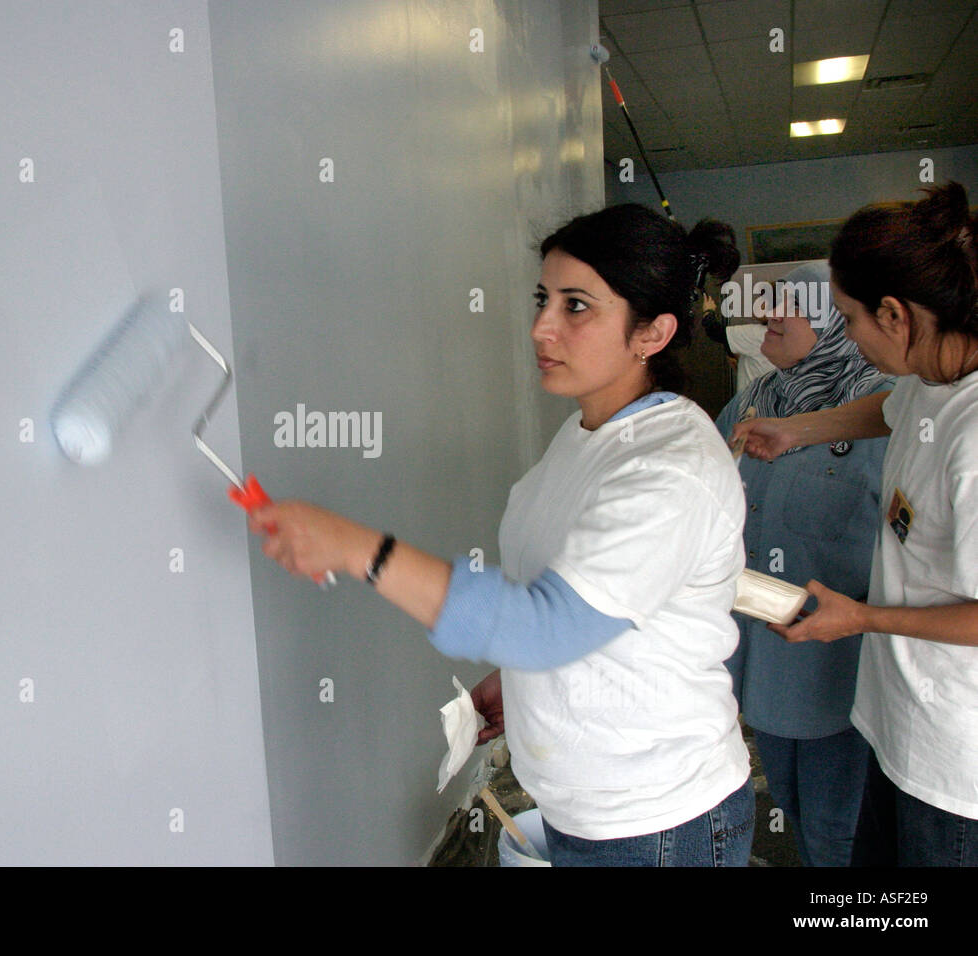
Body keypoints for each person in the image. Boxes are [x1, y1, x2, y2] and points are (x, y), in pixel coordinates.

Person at [247, 203, 755, 866]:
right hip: (591, 809)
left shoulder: (669, 470)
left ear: (652, 333)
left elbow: (548, 625)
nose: (542, 326)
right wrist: (521, 680)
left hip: (661, 822)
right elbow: (577, 604)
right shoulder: (586, 435)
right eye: (544, 299)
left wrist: (357, 548)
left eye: (577, 306)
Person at [731, 182, 978, 866]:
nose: (848, 333)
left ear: (894, 315)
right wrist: (794, 431)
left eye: (848, 316)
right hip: (897, 722)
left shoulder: (974, 437)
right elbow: (886, 409)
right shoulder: (935, 377)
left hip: (955, 764)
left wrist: (864, 618)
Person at [716, 260, 892, 866]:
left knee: (835, 825)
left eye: (787, 304)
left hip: (839, 657)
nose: (767, 314)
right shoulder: (753, 401)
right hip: (761, 647)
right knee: (788, 800)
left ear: (829, 320)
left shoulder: (884, 409)